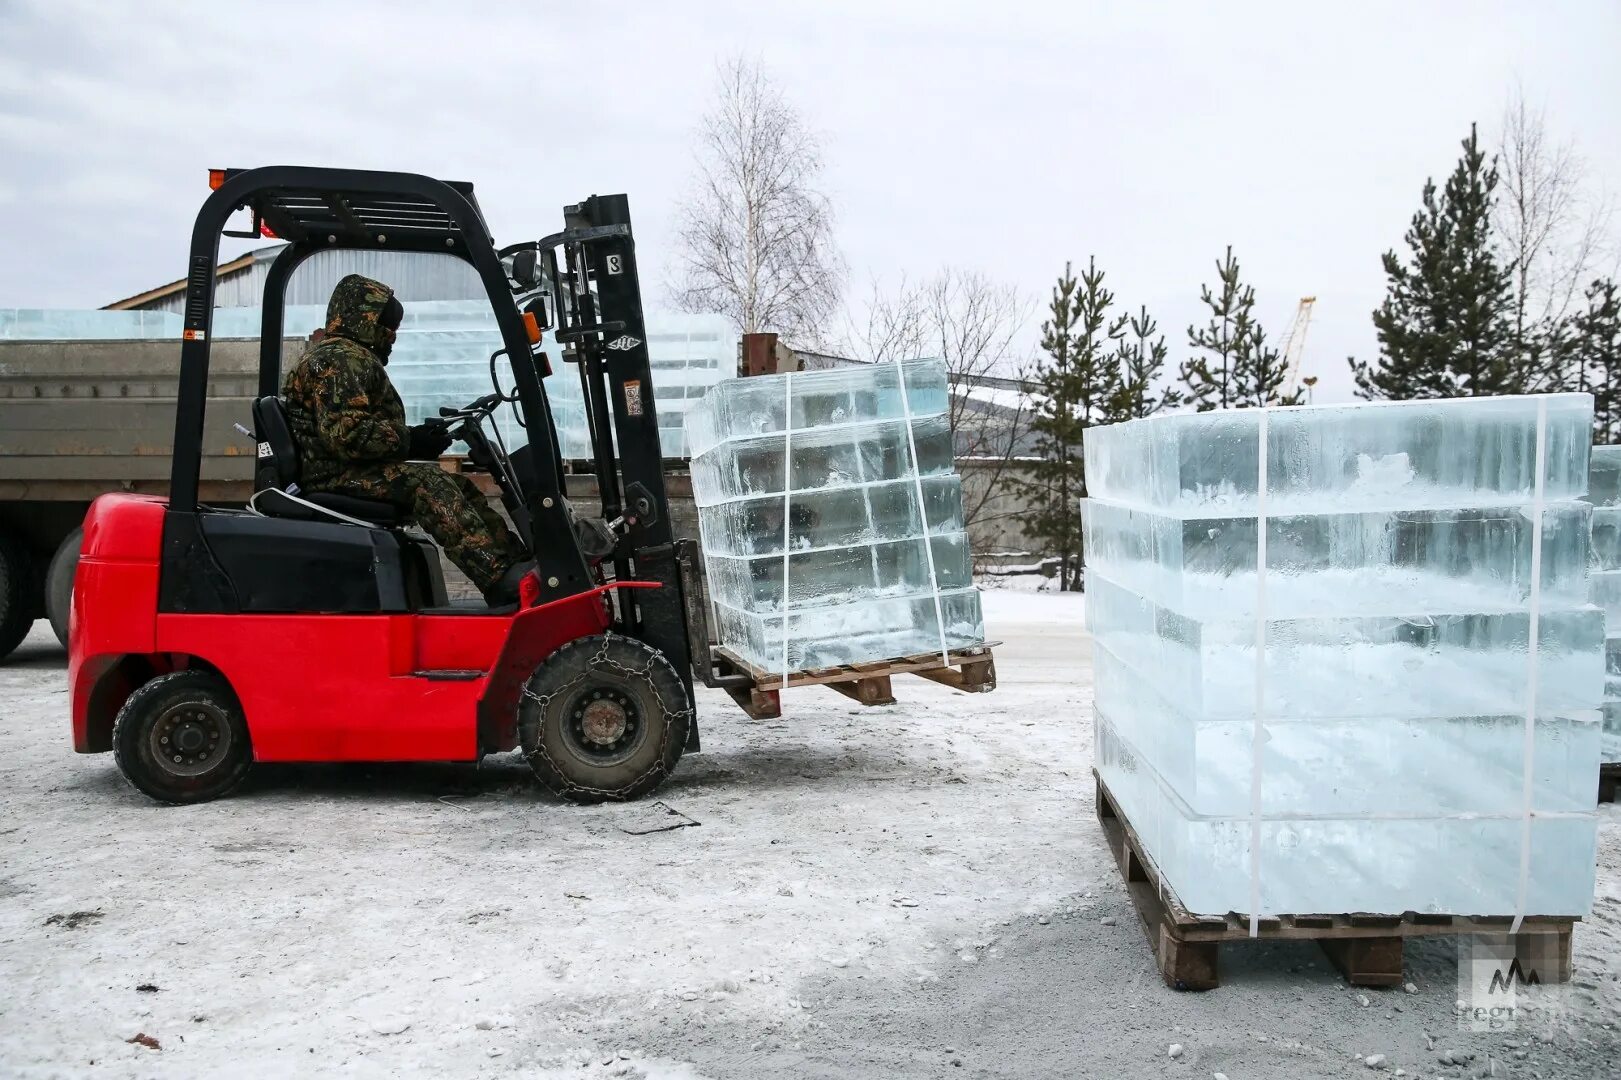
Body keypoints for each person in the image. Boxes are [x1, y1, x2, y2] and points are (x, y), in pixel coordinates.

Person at [282, 274, 534, 605]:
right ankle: (498, 578)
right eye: (388, 327)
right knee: (428, 484)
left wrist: (420, 437)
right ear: (365, 321)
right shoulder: (339, 358)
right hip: (333, 475)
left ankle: (515, 564)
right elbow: (347, 435)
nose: (393, 337)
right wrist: (411, 441)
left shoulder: (349, 356)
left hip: (346, 469)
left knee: (456, 484)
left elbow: (361, 425)